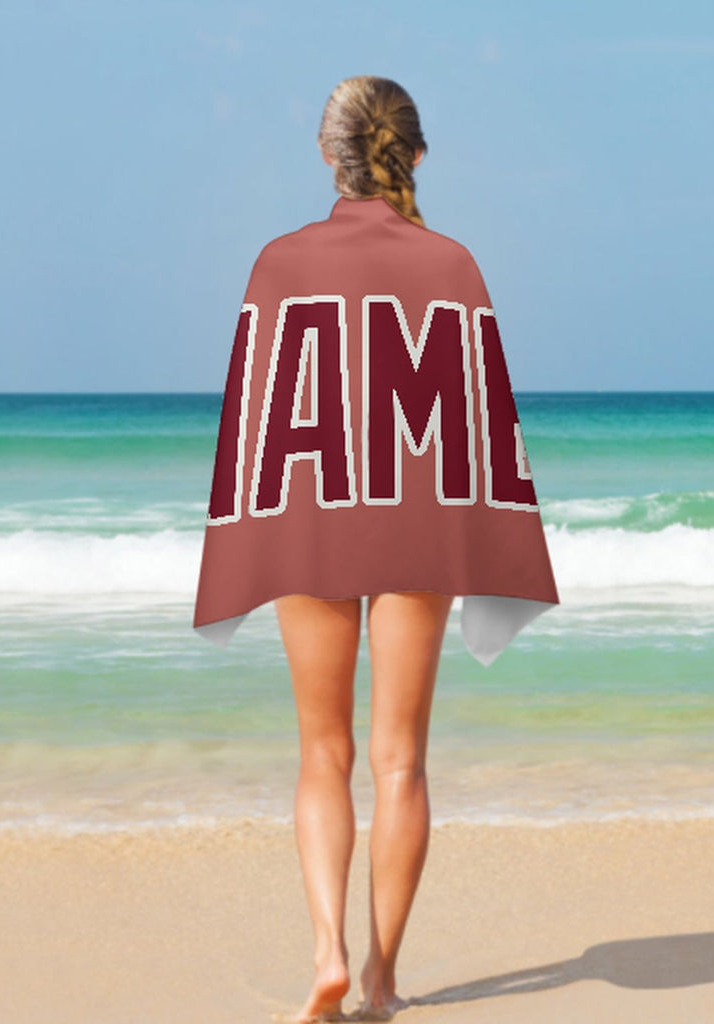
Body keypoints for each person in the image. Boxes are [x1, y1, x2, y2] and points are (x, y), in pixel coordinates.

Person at [192, 75, 558, 1022]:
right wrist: (498, 549)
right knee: (401, 762)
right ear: (417, 155)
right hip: (416, 527)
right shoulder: (454, 266)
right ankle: (382, 977)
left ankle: (325, 952)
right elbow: (482, 432)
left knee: (323, 753)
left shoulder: (276, 264)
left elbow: (258, 423)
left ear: (328, 158)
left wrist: (241, 545)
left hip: (311, 521)